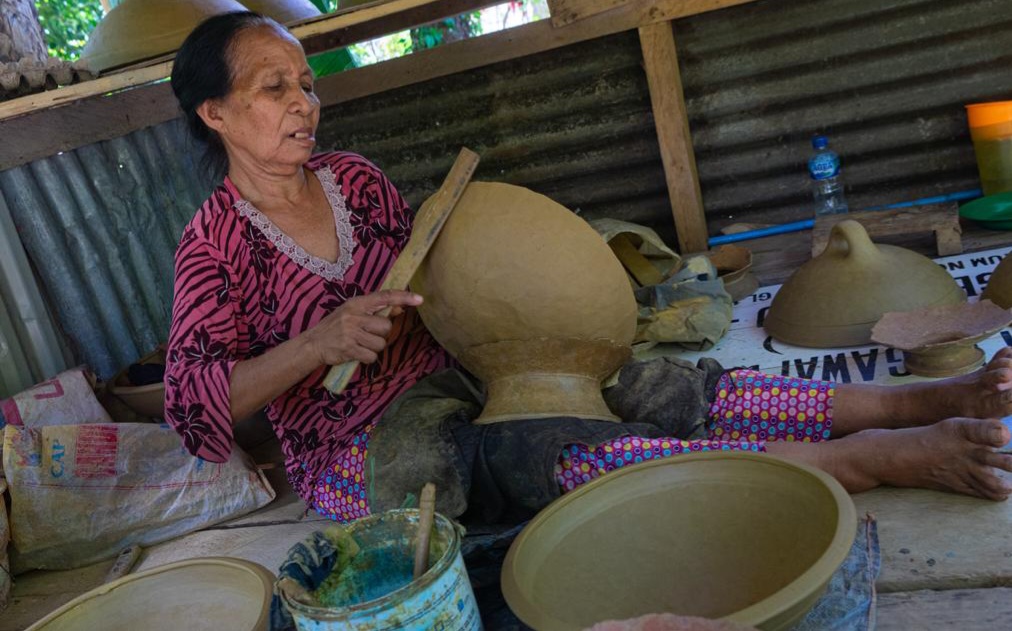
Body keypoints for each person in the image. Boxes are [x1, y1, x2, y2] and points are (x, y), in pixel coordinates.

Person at [165, 12, 1012, 527]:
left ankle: (921, 398)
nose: (306, 104)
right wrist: (318, 342)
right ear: (215, 112)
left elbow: (437, 282)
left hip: (461, 382)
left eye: (307, 84)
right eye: (276, 88)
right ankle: (878, 459)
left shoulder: (355, 180)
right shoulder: (213, 246)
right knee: (563, 456)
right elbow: (192, 407)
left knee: (661, 388)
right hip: (361, 451)